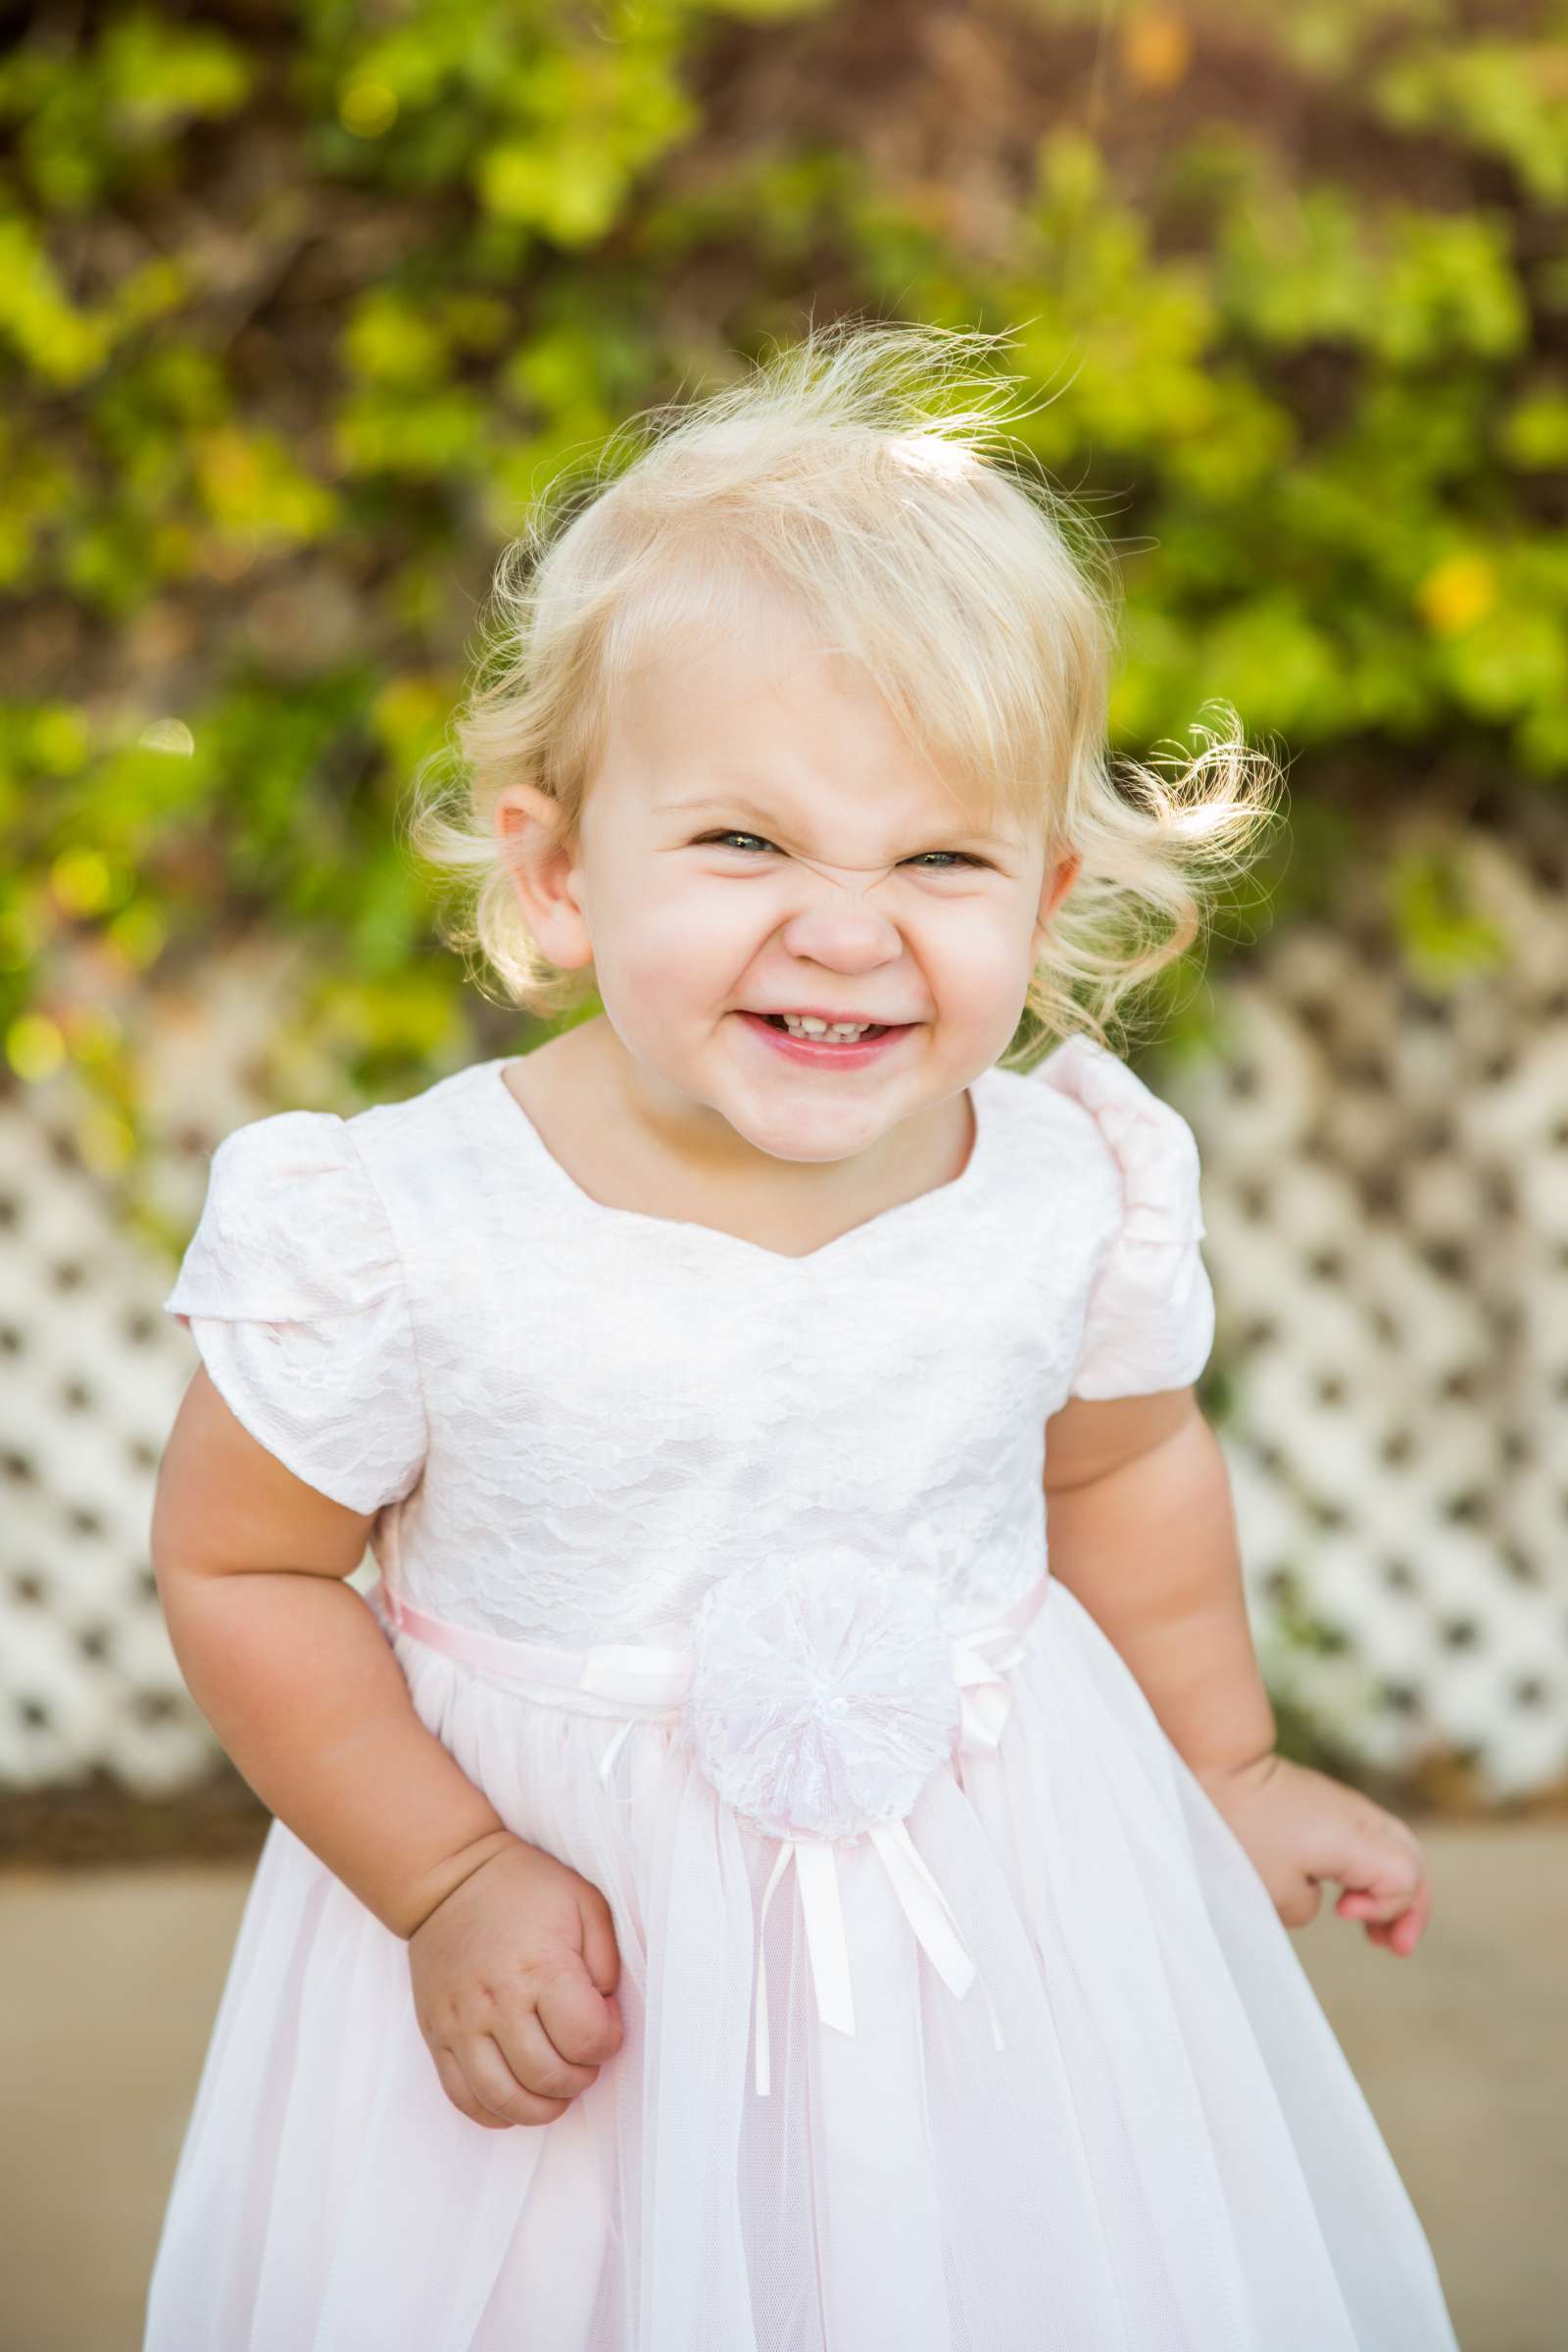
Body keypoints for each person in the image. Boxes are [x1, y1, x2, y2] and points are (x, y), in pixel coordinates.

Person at [145, 320, 1460, 2349]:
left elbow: (1120, 1465)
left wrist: (1227, 1764)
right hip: (568, 1947)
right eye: (743, 842)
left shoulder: (1054, 1183)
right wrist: (442, 1875)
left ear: (1043, 891)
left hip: (992, 1936)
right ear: (559, 872)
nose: (846, 929)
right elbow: (241, 1557)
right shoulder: (408, 1229)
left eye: (937, 859)